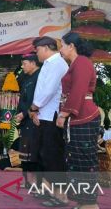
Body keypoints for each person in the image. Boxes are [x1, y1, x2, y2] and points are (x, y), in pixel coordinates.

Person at [56, 32, 100, 209]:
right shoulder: (76, 64)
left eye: (62, 45)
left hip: (84, 117)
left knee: (85, 160)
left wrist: (64, 113)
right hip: (78, 118)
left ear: (71, 46)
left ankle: (91, 204)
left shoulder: (82, 62)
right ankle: (83, 202)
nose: (60, 49)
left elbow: (78, 90)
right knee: (76, 160)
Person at [28, 36, 69, 207]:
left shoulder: (58, 63)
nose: (36, 54)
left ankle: (62, 197)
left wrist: (34, 108)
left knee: (53, 158)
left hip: (52, 117)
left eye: (37, 50)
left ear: (45, 48)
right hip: (43, 115)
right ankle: (52, 193)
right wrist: (35, 111)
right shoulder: (48, 64)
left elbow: (49, 91)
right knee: (45, 156)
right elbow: (42, 90)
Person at [14, 53, 41, 188]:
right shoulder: (26, 78)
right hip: (25, 120)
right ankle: (27, 180)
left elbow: (36, 101)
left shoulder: (40, 76)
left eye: (24, 64)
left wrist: (24, 114)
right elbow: (23, 99)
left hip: (34, 119)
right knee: (24, 151)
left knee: (33, 151)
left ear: (33, 63)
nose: (22, 66)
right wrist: (19, 113)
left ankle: (34, 181)